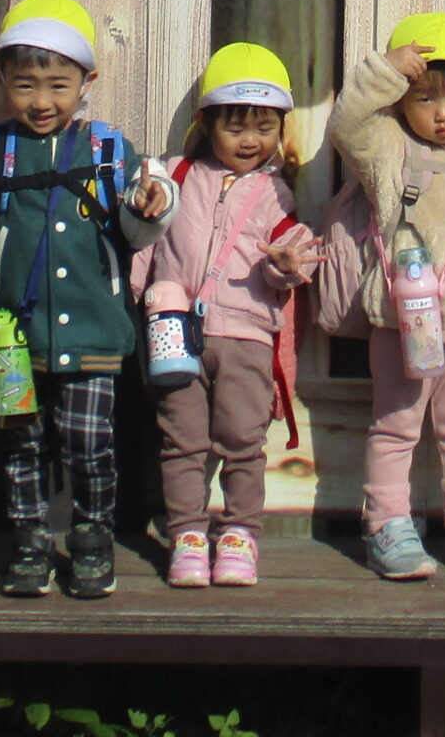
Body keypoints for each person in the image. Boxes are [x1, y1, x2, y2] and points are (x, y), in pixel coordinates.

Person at [0, 0, 176, 600]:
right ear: (2, 81)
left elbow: (143, 213)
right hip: (14, 339)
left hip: (94, 333)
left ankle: (93, 540)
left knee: (91, 446)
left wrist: (152, 203)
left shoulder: (109, 150)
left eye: (58, 86)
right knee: (21, 447)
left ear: (88, 81)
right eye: (25, 85)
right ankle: (30, 543)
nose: (42, 101)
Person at [330, 12, 445, 582]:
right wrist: (386, 71)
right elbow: (346, 123)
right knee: (396, 425)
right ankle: (387, 523)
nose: (442, 113)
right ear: (401, 102)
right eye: (424, 98)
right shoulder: (386, 146)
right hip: (404, 322)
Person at [133, 43, 319, 588]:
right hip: (174, 334)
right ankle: (187, 535)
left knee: (243, 441)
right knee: (182, 440)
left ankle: (239, 535)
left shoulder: (278, 194)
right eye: (235, 126)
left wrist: (286, 266)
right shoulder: (175, 174)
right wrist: (137, 295)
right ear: (205, 122)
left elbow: (293, 259)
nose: (250, 140)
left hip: (246, 338)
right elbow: (144, 240)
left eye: (265, 127)